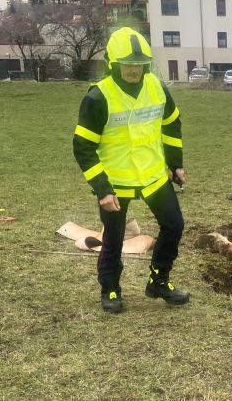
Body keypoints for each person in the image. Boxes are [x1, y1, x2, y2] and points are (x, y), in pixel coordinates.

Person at [73, 27, 190, 313]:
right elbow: (83, 146)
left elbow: (171, 124)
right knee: (113, 240)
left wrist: (175, 163)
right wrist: (102, 189)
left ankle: (159, 281)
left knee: (174, 225)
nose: (134, 70)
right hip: (116, 182)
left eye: (139, 64)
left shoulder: (157, 87)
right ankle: (110, 289)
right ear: (113, 64)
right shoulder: (98, 98)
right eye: (128, 64)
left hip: (153, 176)